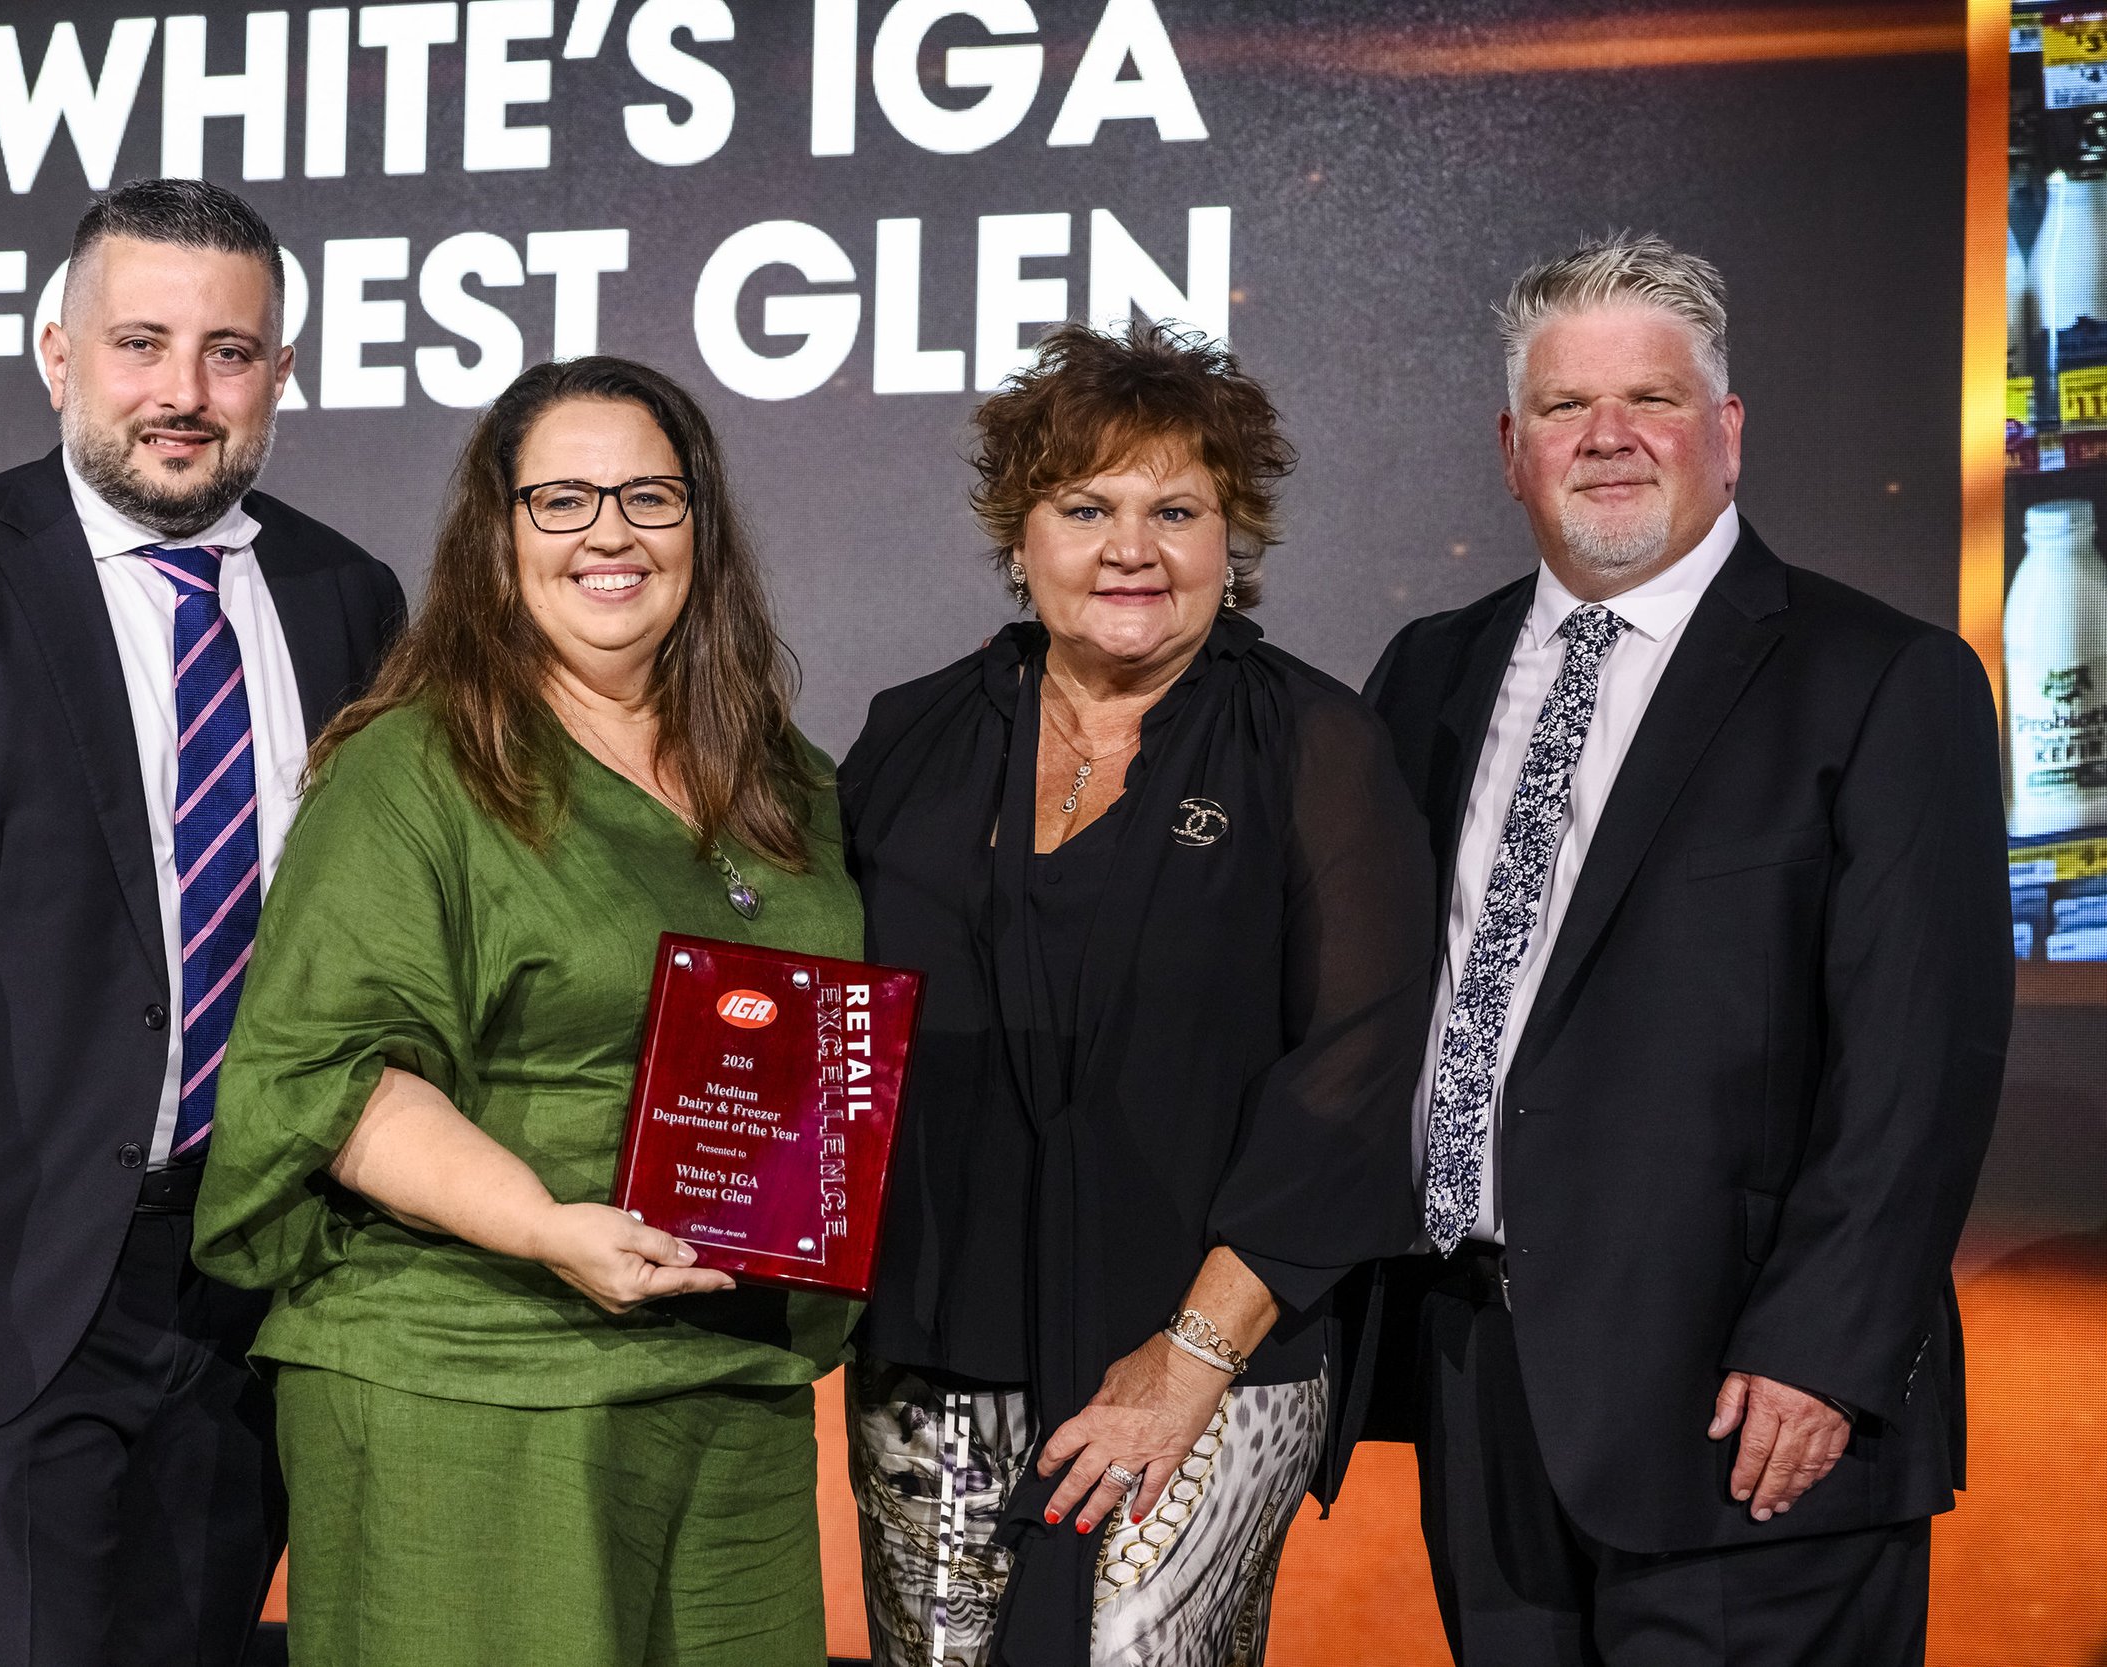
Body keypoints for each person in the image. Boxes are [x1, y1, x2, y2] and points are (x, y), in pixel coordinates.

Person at [0, 179, 403, 1664]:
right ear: (57, 355)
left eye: (230, 352)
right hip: (7, 1285)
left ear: (282, 376)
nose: (184, 393)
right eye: (140, 343)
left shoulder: (345, 597)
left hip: (264, 1286)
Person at [1361, 233, 2012, 1665]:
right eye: (1563, 407)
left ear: (1727, 432)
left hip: (1751, 1404)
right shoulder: (1427, 672)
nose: (1607, 437)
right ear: (1511, 450)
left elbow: (1923, 1060)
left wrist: (1823, 1352)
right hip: (1484, 1381)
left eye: (1650, 399)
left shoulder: (1883, 678)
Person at [190, 355, 860, 1667]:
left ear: (701, 528)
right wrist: (550, 1229)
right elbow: (333, 1078)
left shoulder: (783, 779)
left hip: (733, 1374)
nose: (611, 533)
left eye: (650, 497)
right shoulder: (413, 768)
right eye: (563, 500)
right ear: (497, 541)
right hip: (475, 1374)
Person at [836, 321, 1435, 1667]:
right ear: (1020, 533)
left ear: (1235, 536)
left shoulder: (1315, 744)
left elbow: (1361, 1065)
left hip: (1205, 1354)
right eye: (1085, 507)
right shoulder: (911, 735)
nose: (1131, 549)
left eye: (1177, 510)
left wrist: (1191, 1354)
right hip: (939, 1355)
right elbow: (829, 1022)